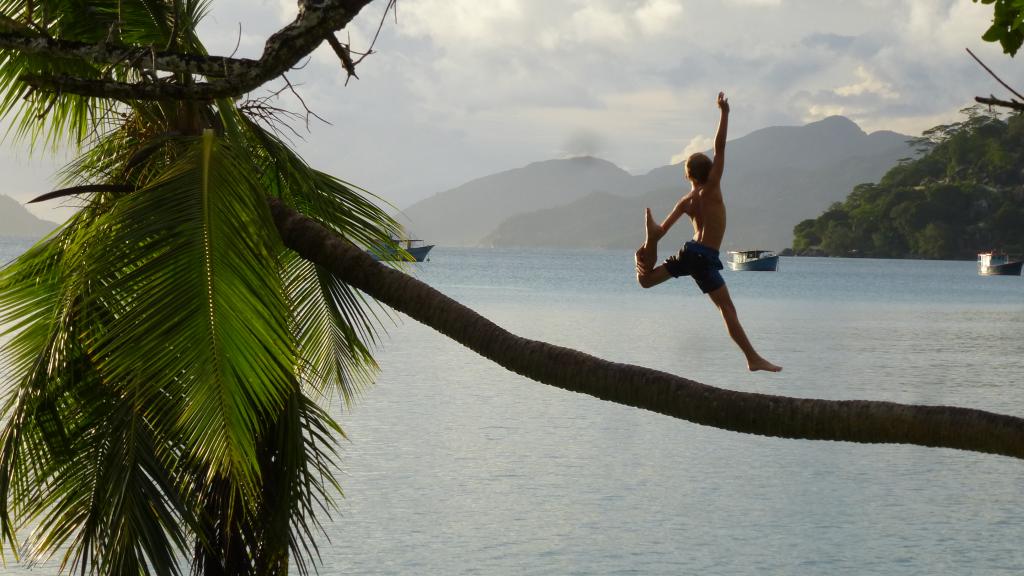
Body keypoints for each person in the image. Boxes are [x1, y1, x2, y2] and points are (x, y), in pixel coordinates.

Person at [634, 92, 782, 373]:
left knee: (646, 281)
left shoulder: (686, 201)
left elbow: (663, 231)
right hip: (704, 254)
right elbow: (721, 147)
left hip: (691, 252)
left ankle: (637, 261)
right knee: (727, 309)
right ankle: (752, 358)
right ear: (711, 171)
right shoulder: (712, 188)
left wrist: (651, 240)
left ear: (688, 176)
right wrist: (724, 113)